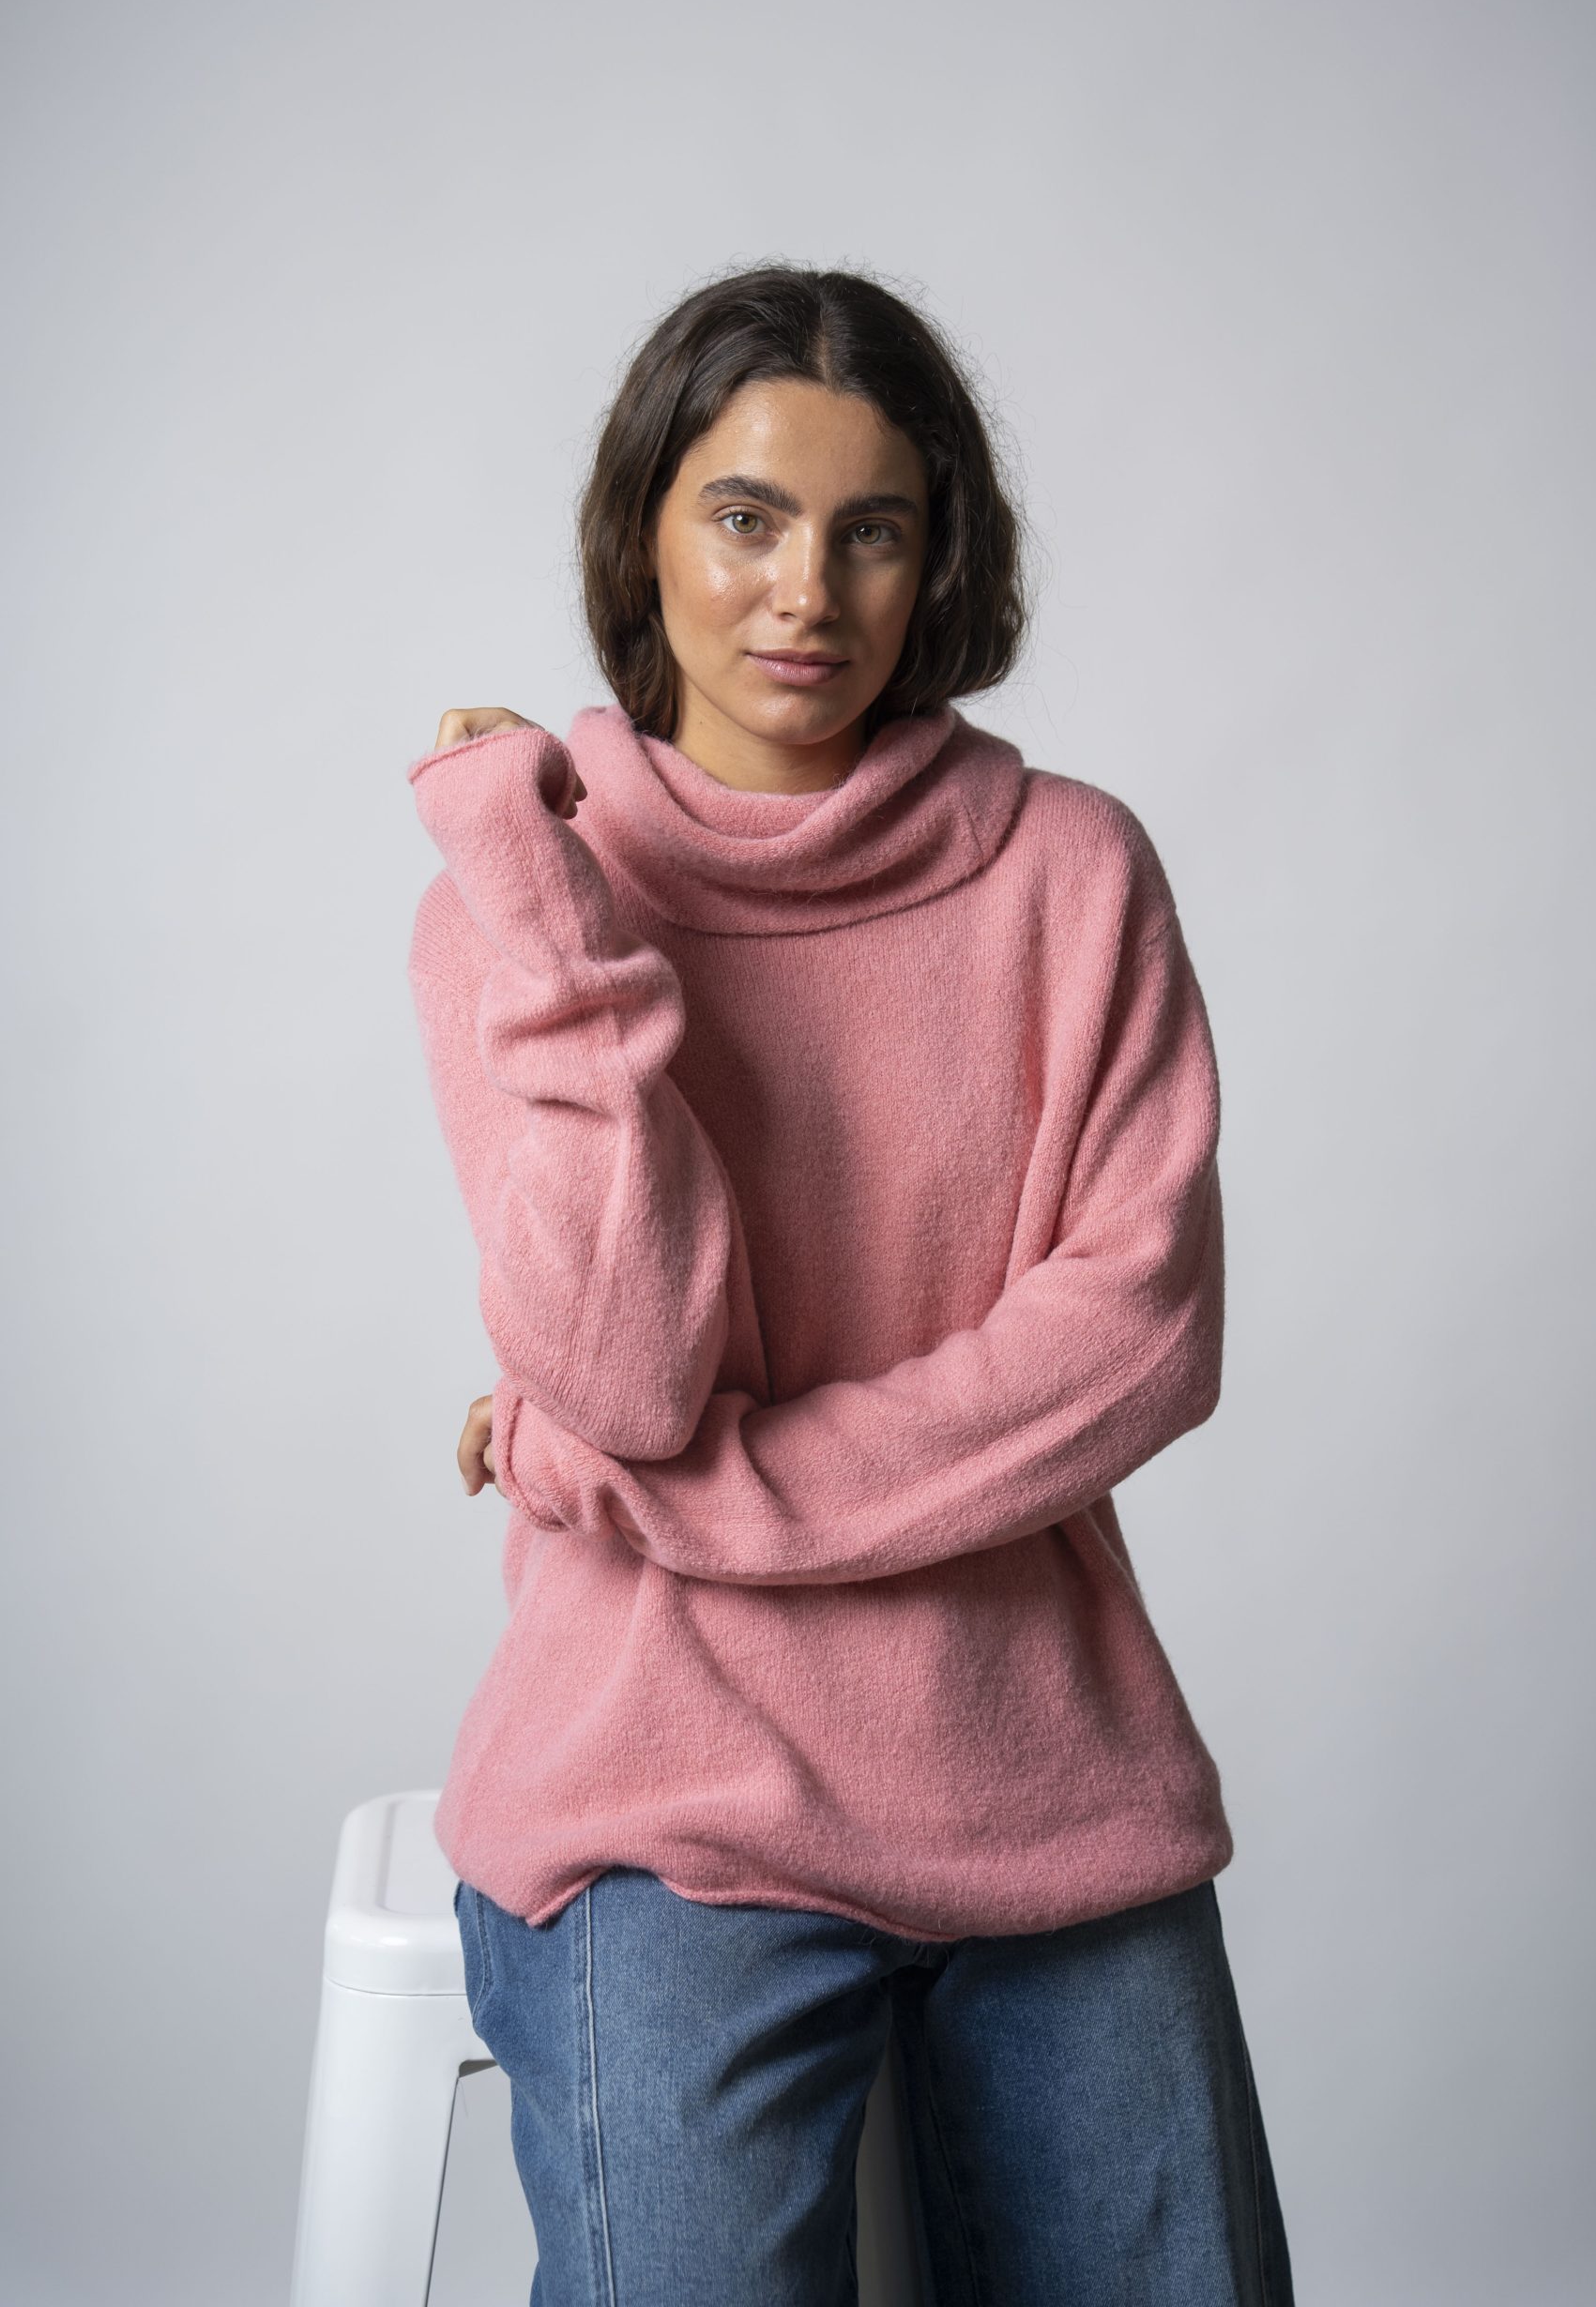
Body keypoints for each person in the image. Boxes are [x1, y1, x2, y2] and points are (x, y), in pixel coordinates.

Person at [404, 264, 1294, 2305]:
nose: (804, 590)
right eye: (745, 516)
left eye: (869, 527)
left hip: (1039, 1769)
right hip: (659, 1791)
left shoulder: (1069, 873)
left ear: (934, 560)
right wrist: (556, 914)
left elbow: (1137, 1339)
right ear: (644, 531)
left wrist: (686, 1499)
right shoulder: (513, 916)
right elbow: (630, 1378)